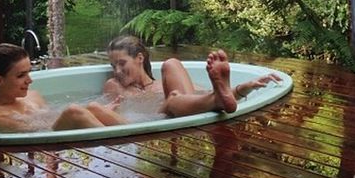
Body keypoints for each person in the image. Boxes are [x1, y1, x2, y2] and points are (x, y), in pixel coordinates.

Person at [104, 35, 281, 117]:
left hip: (188, 112)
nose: (117, 71)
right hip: (164, 117)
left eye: (122, 63)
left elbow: (207, 95)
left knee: (172, 64)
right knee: (172, 101)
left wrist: (245, 87)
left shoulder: (162, 84)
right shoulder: (114, 85)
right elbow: (118, 118)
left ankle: (218, 100)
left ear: (139, 58)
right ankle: (217, 100)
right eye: (113, 66)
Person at [0, 43, 126, 132]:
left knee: (94, 106)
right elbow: (30, 131)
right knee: (73, 112)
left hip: (55, 131)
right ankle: (117, 149)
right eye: (21, 75)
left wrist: (92, 113)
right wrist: (80, 115)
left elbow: (53, 115)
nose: (29, 80)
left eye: (29, 73)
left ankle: (136, 140)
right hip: (45, 140)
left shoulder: (33, 96)